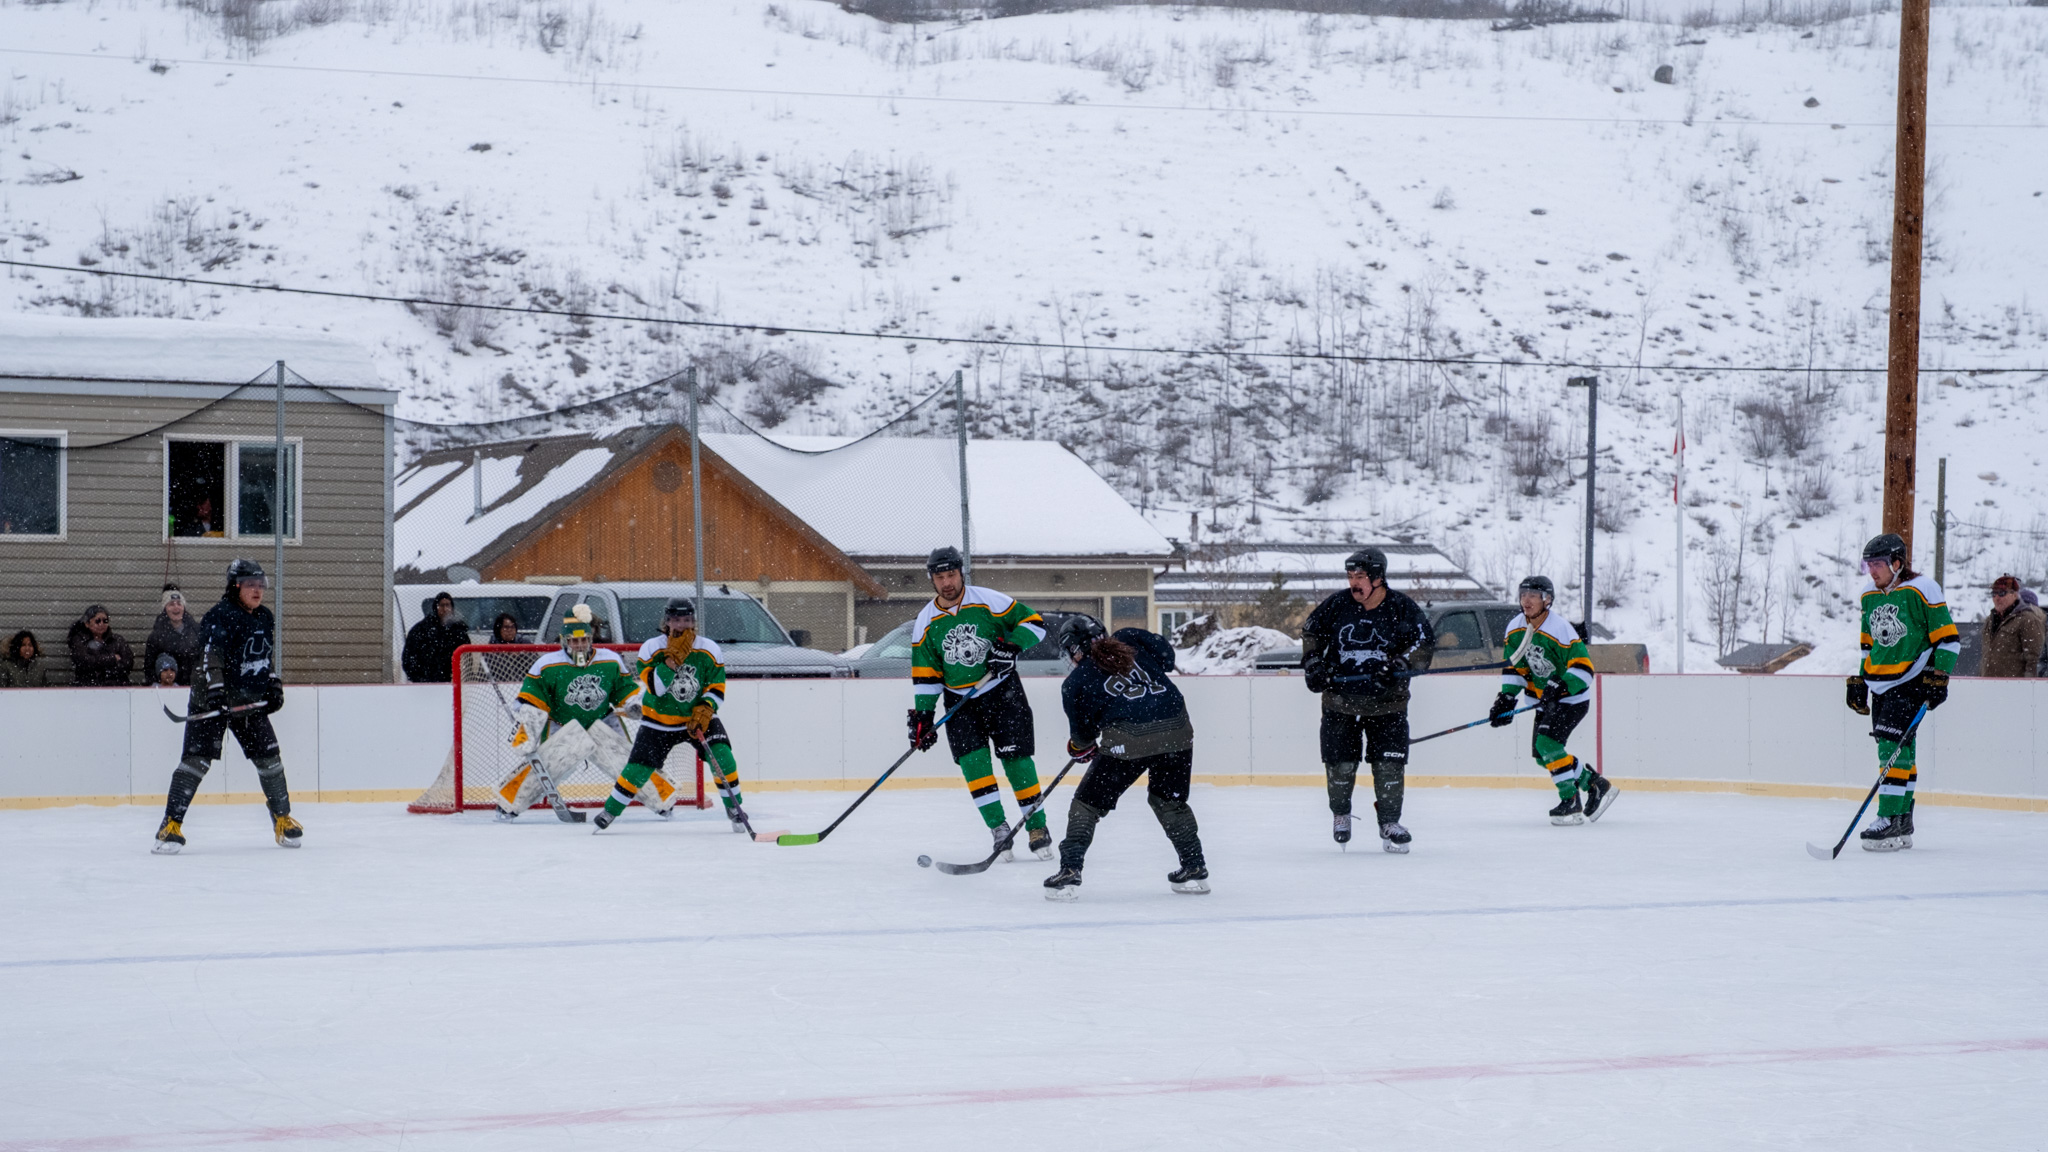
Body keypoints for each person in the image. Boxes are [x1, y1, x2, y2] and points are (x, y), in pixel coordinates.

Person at [1044, 617, 1208, 900]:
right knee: (1168, 800)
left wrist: (1079, 747)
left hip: (1128, 740)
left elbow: (1083, 737)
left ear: (1075, 649)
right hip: (1177, 730)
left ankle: (1070, 869)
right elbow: (1167, 658)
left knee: (1087, 804)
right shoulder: (1130, 639)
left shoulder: (1076, 681)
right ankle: (1194, 865)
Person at [906, 546, 1053, 861]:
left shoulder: (988, 600)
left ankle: (1036, 827)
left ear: (961, 573)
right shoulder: (926, 621)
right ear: (931, 579)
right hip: (960, 701)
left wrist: (1011, 646)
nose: (947, 583)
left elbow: (1035, 624)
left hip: (1003, 692)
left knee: (1017, 761)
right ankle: (999, 829)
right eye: (940, 577)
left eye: (951, 575)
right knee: (974, 765)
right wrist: (924, 716)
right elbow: (927, 674)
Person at [153, 560, 298, 854]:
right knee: (196, 762)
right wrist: (216, 691)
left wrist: (272, 683)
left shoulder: (264, 617)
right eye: (250, 585)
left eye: (260, 585)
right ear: (235, 587)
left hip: (247, 701)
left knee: (270, 759)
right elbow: (210, 657)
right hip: (210, 699)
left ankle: (282, 819)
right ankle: (170, 826)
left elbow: (263, 658)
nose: (257, 591)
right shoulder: (219, 616)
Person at [1299, 547, 1436, 852]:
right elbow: (1311, 633)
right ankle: (1341, 815)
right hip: (1340, 701)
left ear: (1377, 578)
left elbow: (1424, 644)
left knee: (1389, 765)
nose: (1353, 582)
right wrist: (1313, 662)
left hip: (1388, 704)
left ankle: (1389, 822)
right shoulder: (1337, 604)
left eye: (1360, 576)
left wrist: (1401, 665)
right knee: (1340, 764)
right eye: (1350, 576)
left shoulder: (1402, 607)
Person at [1844, 534, 1959, 851]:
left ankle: (1888, 817)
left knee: (1890, 747)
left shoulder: (1922, 588)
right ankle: (1902, 821)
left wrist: (1940, 675)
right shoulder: (1869, 595)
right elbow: (1868, 645)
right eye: (1868, 565)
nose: (1872, 571)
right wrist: (1862, 679)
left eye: (1878, 564)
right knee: (1901, 749)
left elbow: (1948, 639)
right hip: (1880, 683)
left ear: (1897, 562)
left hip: (1912, 679)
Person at [596, 598, 751, 832]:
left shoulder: (709, 648)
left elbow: (716, 686)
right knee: (638, 769)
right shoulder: (651, 647)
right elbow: (656, 688)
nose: (681, 625)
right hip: (658, 720)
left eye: (687, 620)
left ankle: (734, 809)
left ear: (694, 621)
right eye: (676, 619)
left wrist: (707, 707)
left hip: (697, 718)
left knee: (722, 757)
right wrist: (671, 661)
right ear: (666, 621)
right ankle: (610, 811)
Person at [1487, 575, 1616, 825]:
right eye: (1523, 595)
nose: (1526, 600)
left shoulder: (1560, 629)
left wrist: (1561, 684)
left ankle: (1570, 802)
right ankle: (1594, 784)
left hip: (1572, 700)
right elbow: (1516, 668)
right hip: (1544, 702)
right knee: (1541, 754)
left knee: (1547, 745)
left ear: (1547, 600)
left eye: (1533, 596)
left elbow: (1584, 669)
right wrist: (1507, 697)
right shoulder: (1515, 628)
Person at [496, 604, 639, 820]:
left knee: (629, 763)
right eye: (574, 641)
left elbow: (624, 690)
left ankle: (663, 800)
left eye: (584, 640)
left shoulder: (610, 660)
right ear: (565, 641)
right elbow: (533, 698)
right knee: (546, 768)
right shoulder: (547, 665)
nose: (580, 646)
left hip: (601, 721)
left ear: (590, 639)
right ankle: (507, 804)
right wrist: (527, 720)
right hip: (562, 726)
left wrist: (633, 704)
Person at [1980, 575, 2043, 678]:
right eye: (1993, 594)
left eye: (2002, 593)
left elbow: (2034, 659)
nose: (1997, 598)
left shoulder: (2028, 620)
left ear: (2014, 595)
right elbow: (1986, 656)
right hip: (1988, 683)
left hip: (2013, 685)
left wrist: (2028, 684)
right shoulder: (1990, 620)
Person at [401, 591, 469, 683]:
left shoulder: (459, 630)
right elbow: (409, 658)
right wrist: (419, 678)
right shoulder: (421, 630)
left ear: (452, 607)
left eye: (447, 605)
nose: (445, 609)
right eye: (442, 605)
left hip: (452, 682)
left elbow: (467, 658)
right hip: (426, 683)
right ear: (436, 607)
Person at [145, 588, 203, 686]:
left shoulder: (196, 631)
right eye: (171, 604)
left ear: (184, 607)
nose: (176, 607)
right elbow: (149, 667)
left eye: (179, 604)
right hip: (168, 688)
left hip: (193, 685)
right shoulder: (156, 636)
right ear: (165, 609)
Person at [67, 605, 134, 686]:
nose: (101, 624)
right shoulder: (79, 640)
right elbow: (84, 662)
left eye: (105, 621)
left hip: (116, 686)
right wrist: (112, 659)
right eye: (97, 621)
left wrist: (98, 664)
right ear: (87, 624)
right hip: (88, 686)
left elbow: (127, 664)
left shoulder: (117, 640)